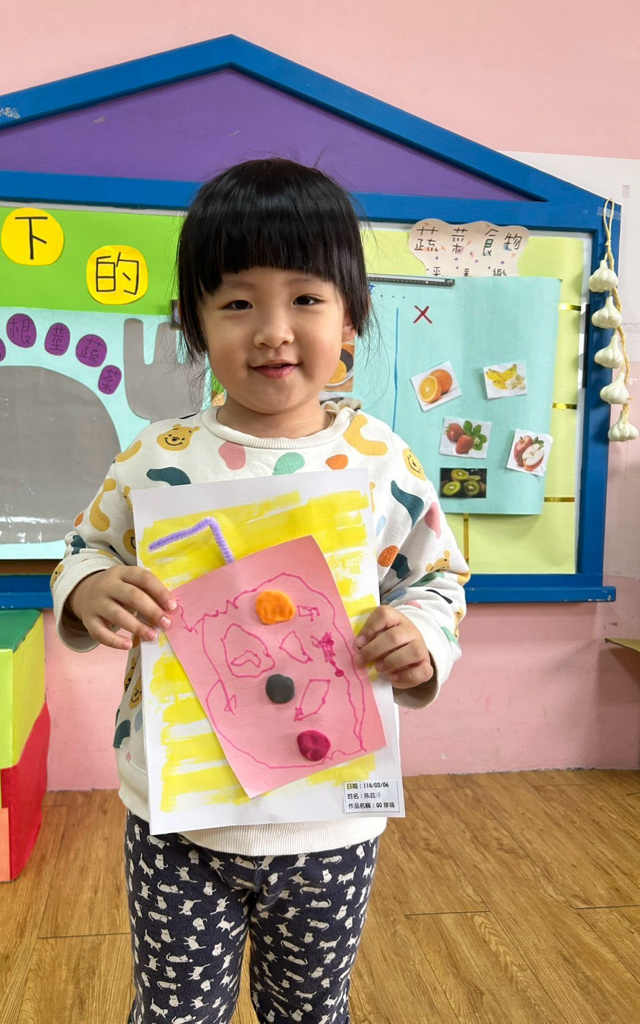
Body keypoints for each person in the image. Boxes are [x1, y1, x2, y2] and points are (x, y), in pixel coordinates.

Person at [52, 157, 469, 1024]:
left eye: (306, 299)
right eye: (237, 303)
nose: (274, 332)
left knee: (311, 1010)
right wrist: (90, 589)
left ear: (351, 318)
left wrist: (422, 640)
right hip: (179, 819)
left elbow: (436, 575)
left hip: (332, 821)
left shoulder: (381, 461)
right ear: (193, 324)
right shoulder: (155, 458)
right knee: (174, 1012)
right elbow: (85, 547)